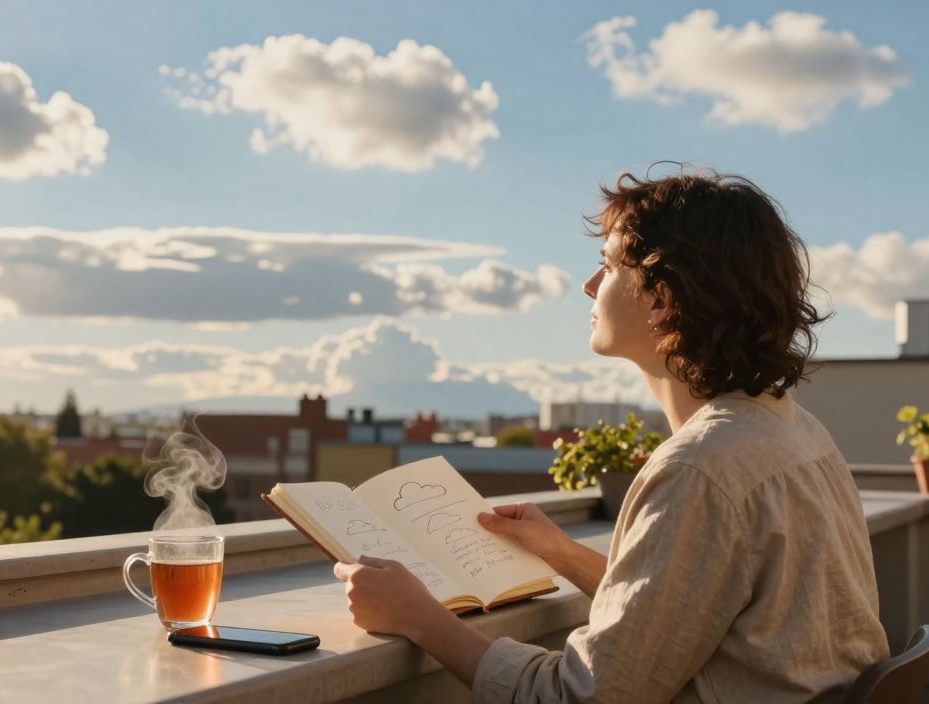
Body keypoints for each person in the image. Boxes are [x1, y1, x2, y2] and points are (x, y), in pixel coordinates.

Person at [333, 167, 891, 703]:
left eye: (607, 265)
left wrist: (422, 620)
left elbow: (584, 696)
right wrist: (563, 554)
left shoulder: (699, 469)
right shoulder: (796, 432)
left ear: (662, 300)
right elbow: (678, 615)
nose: (589, 286)